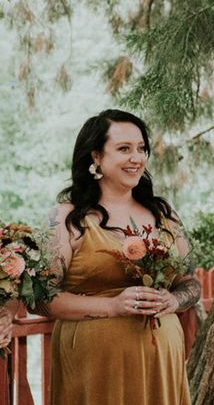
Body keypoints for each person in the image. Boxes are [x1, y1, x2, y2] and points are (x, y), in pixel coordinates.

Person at [43, 109, 200, 405]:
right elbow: (41, 298)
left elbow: (190, 285)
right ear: (96, 157)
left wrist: (173, 301)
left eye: (141, 149)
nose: (137, 158)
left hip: (161, 365)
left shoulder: (165, 215)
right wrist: (113, 305)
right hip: (95, 368)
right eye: (124, 149)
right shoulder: (67, 218)